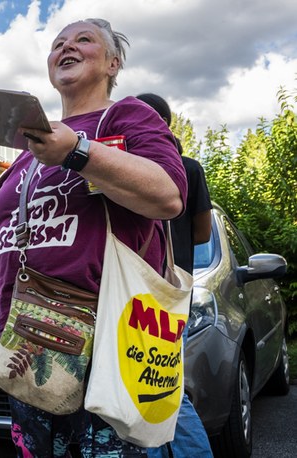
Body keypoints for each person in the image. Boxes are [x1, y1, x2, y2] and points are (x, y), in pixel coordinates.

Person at [0, 18, 188, 457]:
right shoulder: (32, 149)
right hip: (26, 342)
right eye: (58, 43)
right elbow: (7, 236)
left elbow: (169, 195)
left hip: (107, 343)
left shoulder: (125, 115)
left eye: (85, 40)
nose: (68, 47)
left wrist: (78, 151)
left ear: (113, 62)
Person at [137, 92, 214, 458]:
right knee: (157, 385)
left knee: (156, 387)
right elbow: (202, 234)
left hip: (139, 288)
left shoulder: (123, 169)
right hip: (172, 286)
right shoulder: (189, 167)